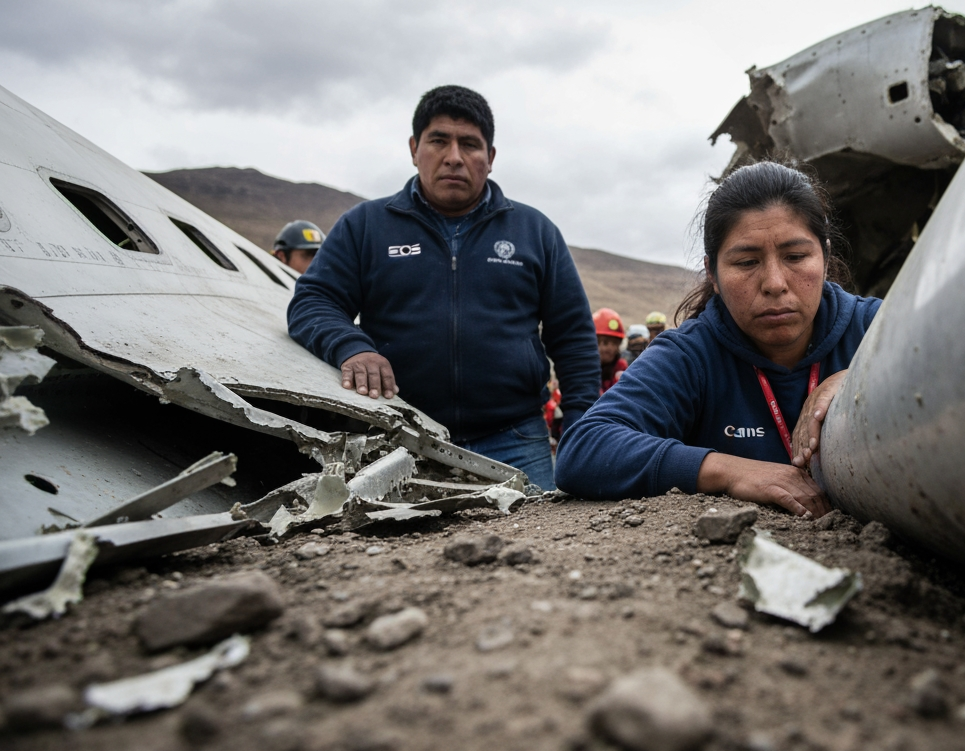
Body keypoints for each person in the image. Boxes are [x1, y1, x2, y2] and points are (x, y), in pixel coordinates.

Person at [287, 85, 598, 491]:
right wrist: (352, 347)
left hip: (516, 440)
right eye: (439, 141)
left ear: (490, 157)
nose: (454, 157)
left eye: (470, 144)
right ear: (415, 148)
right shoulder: (365, 226)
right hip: (398, 438)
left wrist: (582, 424)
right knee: (395, 550)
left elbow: (573, 335)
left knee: (535, 544)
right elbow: (312, 301)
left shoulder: (534, 231)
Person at [556, 162, 880, 517]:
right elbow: (584, 449)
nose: (774, 282)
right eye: (746, 262)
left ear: (826, 257)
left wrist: (858, 378)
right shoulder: (692, 355)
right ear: (713, 274)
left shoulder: (877, 328)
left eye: (796, 257)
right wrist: (729, 471)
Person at [594, 308, 628, 394]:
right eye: (605, 343)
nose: (610, 348)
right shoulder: (582, 367)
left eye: (615, 344)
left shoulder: (621, 368)